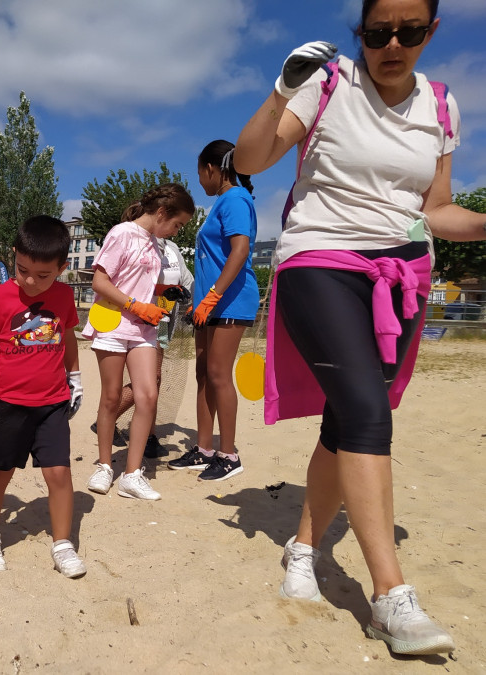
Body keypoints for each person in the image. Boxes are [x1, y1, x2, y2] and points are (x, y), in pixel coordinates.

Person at [234, 0, 486, 655]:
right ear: (361, 33)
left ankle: (302, 549)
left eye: (408, 31)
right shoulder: (328, 83)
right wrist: (282, 88)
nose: (391, 44)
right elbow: (250, 158)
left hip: (400, 275)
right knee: (370, 414)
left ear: (431, 33)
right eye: (378, 32)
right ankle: (390, 600)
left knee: (345, 424)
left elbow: (436, 210)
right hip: (320, 258)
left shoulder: (441, 105)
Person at [0, 215, 86, 578]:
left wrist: (74, 377)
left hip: (52, 403)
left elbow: (69, 337)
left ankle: (63, 544)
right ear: (14, 254)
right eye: (22, 269)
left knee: (59, 474)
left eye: (42, 275)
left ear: (62, 268)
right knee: (0, 471)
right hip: (8, 403)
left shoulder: (63, 296)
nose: (30, 281)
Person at [84, 184, 195, 500]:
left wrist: (164, 296)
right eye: (177, 224)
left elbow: (144, 287)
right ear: (162, 213)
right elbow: (100, 281)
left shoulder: (157, 244)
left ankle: (131, 475)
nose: (177, 230)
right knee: (111, 397)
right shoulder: (121, 234)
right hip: (114, 326)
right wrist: (134, 305)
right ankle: (105, 466)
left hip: (145, 330)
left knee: (147, 395)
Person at [167, 140, 259, 480]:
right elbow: (214, 260)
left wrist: (213, 296)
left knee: (219, 375)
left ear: (211, 168)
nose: (199, 182)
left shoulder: (235, 198)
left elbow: (239, 251)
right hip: (211, 302)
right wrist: (198, 299)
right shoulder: (223, 201)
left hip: (231, 300)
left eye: (199, 174)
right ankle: (204, 449)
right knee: (204, 373)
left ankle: (229, 454)